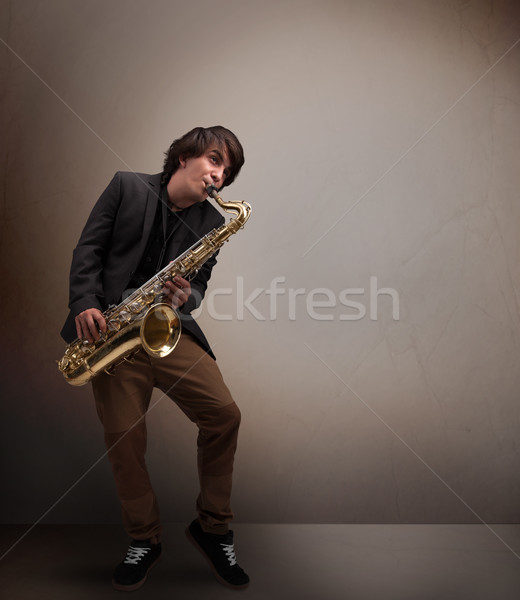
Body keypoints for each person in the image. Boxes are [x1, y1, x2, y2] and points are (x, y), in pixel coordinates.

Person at [60, 126, 249, 591]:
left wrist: (187, 295)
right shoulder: (126, 186)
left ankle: (212, 527)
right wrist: (84, 301)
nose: (219, 175)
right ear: (184, 156)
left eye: (227, 172)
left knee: (224, 415)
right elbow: (89, 249)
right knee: (125, 439)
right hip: (110, 331)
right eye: (214, 161)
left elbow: (200, 285)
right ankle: (144, 539)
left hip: (165, 329)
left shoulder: (213, 223)